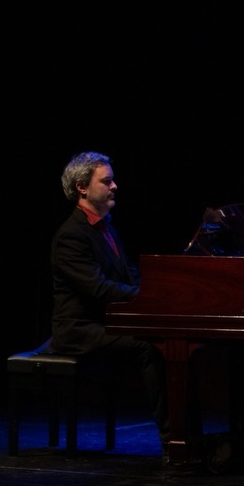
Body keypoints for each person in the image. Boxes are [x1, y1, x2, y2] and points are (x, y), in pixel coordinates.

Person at [46, 151, 171, 463]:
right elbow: (98, 288)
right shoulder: (71, 235)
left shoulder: (105, 228)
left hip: (103, 324)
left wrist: (159, 290)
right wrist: (145, 297)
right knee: (149, 347)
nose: (115, 186)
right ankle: (174, 441)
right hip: (79, 330)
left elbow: (127, 274)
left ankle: (186, 434)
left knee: (172, 342)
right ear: (82, 188)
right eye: (107, 180)